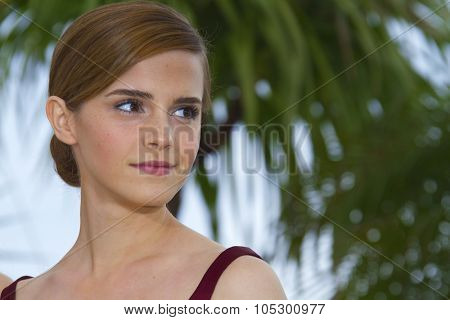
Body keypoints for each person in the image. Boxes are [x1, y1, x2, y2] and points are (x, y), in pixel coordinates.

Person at [0, 1, 286, 299]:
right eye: (130, 106)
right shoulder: (18, 299)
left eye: (185, 111)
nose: (163, 137)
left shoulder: (238, 287)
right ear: (64, 121)